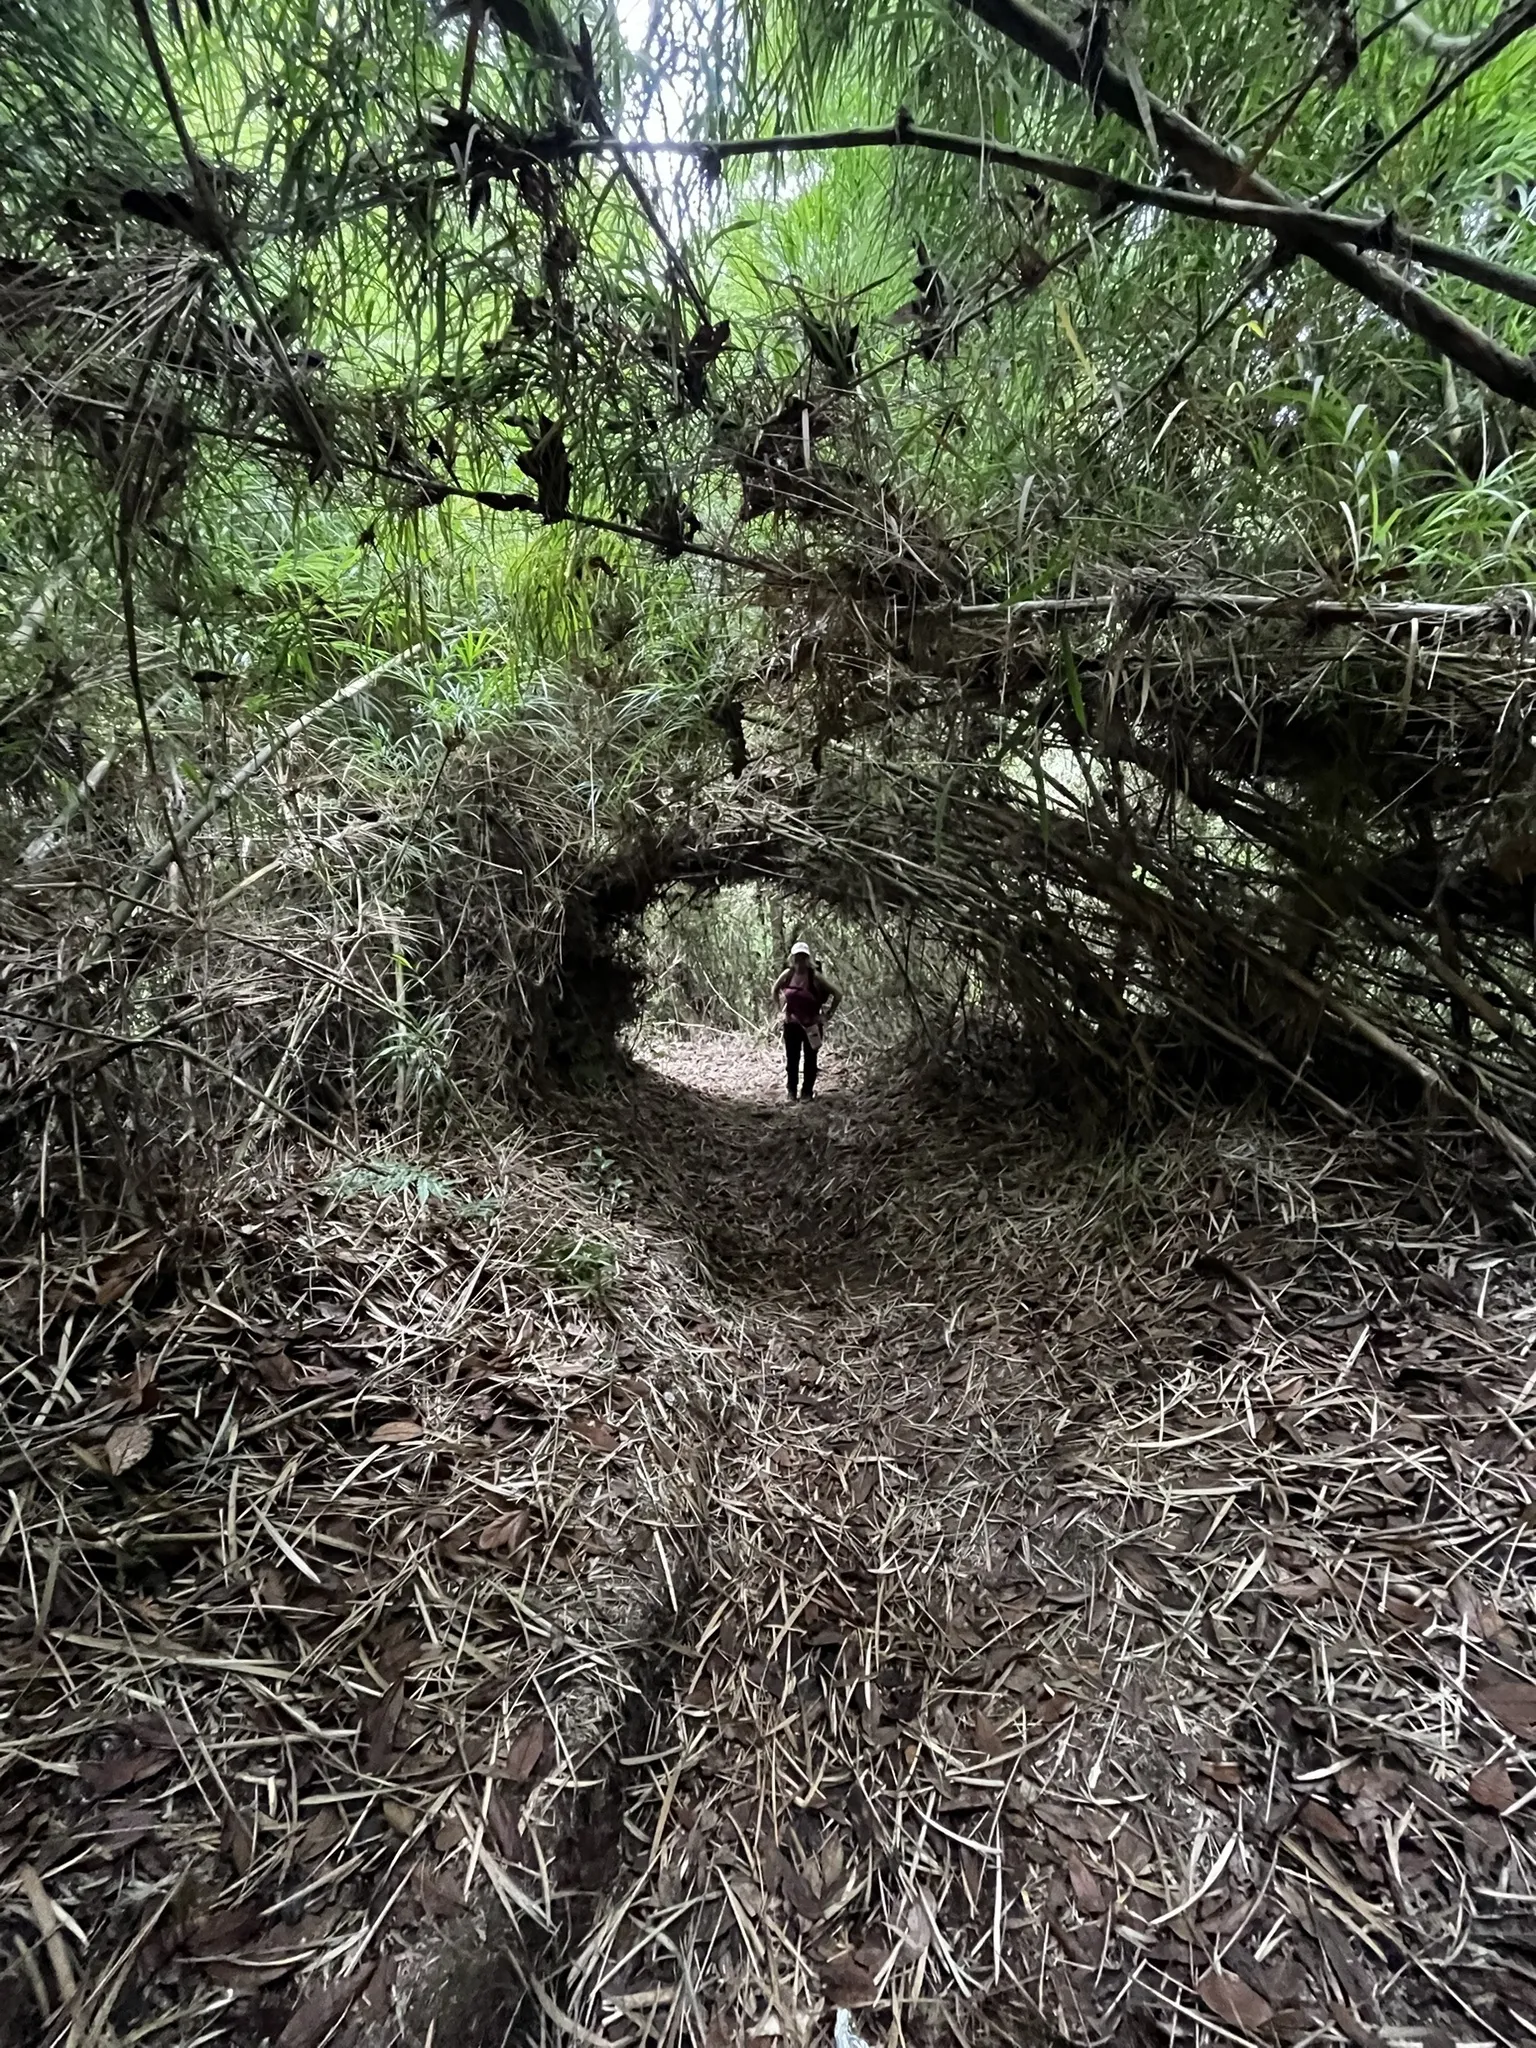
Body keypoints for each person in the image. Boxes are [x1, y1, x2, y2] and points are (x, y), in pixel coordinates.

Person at [772, 941, 841, 1102]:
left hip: (812, 1025)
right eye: (797, 957)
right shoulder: (788, 974)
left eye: (803, 957)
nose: (800, 961)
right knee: (792, 1059)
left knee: (810, 1060)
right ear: (792, 958)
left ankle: (807, 1092)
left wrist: (828, 1015)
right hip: (792, 1024)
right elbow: (774, 990)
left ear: (808, 958)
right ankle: (791, 1092)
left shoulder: (814, 976)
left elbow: (837, 994)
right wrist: (779, 1012)